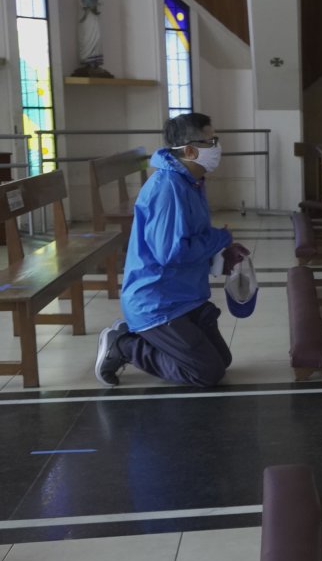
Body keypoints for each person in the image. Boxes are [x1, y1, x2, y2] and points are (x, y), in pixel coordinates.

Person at [94, 113, 249, 388]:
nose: (217, 147)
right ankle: (125, 345)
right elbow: (170, 253)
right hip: (157, 301)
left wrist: (222, 250)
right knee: (206, 372)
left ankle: (151, 338)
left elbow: (191, 238)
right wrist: (220, 238)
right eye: (211, 141)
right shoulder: (167, 188)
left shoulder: (191, 181)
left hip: (184, 295)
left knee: (221, 360)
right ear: (190, 150)